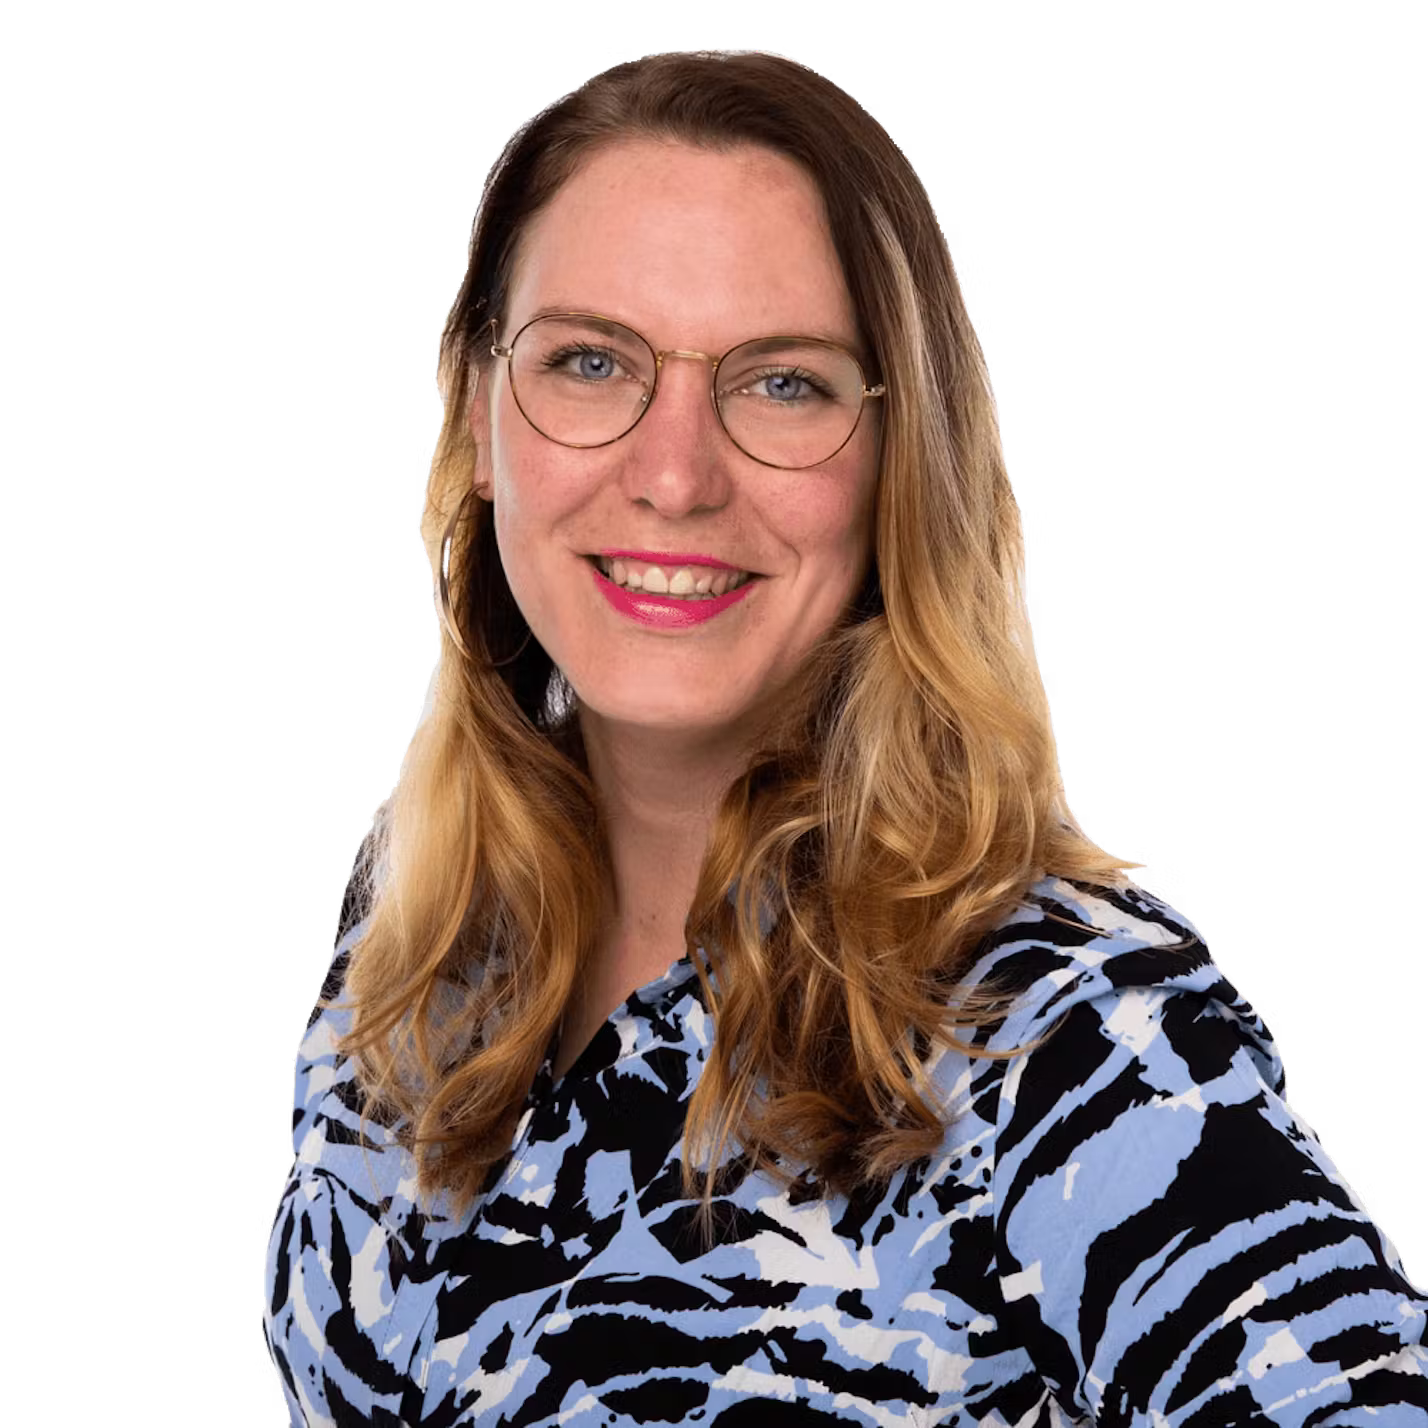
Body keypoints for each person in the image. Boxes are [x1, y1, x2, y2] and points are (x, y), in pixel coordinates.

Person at [261, 49, 1427, 1427]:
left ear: (897, 450)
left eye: (783, 385)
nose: (675, 476)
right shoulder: (418, 934)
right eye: (589, 361)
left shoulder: (1057, 1023)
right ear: (474, 402)